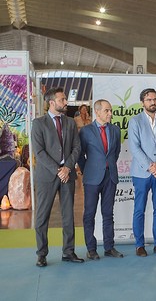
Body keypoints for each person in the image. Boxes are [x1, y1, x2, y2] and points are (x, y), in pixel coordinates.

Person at [31, 87, 83, 267]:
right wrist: (58, 169)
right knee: (42, 216)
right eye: (62, 100)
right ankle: (42, 254)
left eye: (65, 99)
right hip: (47, 176)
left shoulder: (70, 122)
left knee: (68, 216)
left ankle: (68, 252)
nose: (66, 102)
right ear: (52, 102)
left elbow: (77, 147)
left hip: (67, 175)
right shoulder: (38, 124)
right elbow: (39, 152)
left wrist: (67, 167)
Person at [128, 88, 156, 257]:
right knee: (139, 209)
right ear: (143, 102)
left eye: (154, 99)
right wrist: (151, 166)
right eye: (148, 100)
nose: (152, 102)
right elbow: (134, 147)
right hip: (142, 173)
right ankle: (139, 245)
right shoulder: (135, 121)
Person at [78, 99, 123, 260]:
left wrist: (108, 166)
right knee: (89, 214)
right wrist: (87, 170)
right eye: (107, 110)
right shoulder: (85, 131)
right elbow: (80, 155)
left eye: (110, 110)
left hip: (110, 177)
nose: (110, 113)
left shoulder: (115, 130)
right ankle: (91, 249)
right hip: (91, 178)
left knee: (108, 214)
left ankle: (109, 247)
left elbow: (115, 152)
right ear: (97, 112)